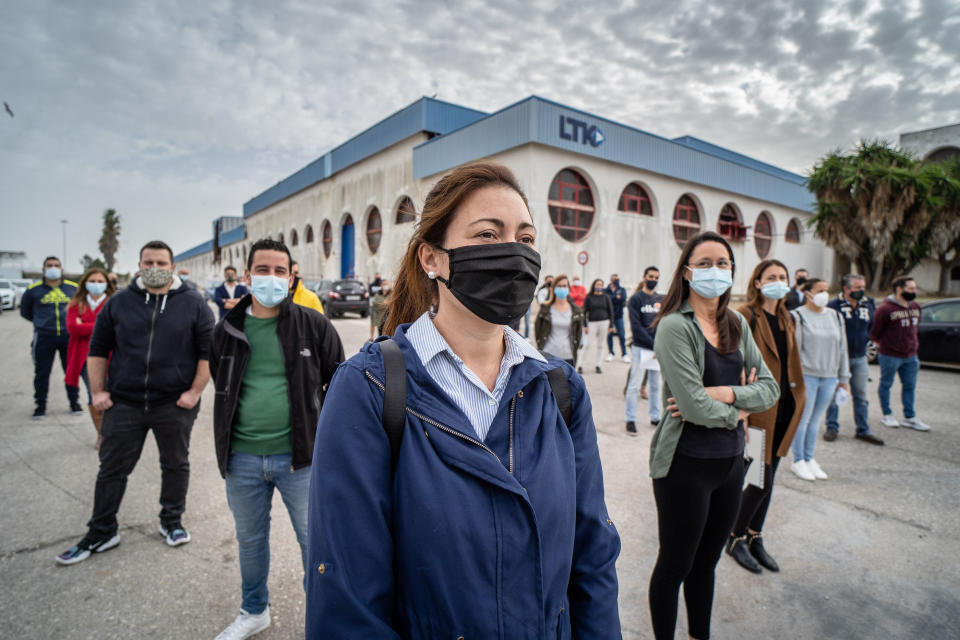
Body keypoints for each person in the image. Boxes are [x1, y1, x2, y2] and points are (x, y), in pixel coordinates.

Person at [305, 162, 621, 638]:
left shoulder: (561, 390)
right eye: (487, 235)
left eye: (526, 237)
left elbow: (592, 559)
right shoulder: (368, 388)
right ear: (432, 258)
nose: (513, 252)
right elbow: (347, 595)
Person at [210, 239, 344, 640]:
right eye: (262, 270)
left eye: (279, 271)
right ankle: (255, 610)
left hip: (300, 460)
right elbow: (224, 385)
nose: (271, 277)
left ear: (291, 276)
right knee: (251, 543)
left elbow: (340, 383)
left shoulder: (313, 324)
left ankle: (325, 619)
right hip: (242, 459)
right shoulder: (226, 329)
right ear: (247, 275)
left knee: (315, 545)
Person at [648, 231, 778, 640]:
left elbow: (770, 389)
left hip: (730, 464)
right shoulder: (674, 327)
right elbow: (691, 406)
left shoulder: (737, 323)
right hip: (685, 466)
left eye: (722, 263)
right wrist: (740, 409)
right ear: (686, 273)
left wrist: (727, 395)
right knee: (675, 565)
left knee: (706, 565)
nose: (714, 271)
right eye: (703, 263)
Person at [55, 241, 214, 565]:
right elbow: (97, 349)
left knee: (175, 464)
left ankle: (171, 521)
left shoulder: (194, 303)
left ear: (172, 265)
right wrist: (98, 392)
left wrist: (194, 392)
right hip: (124, 403)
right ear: (139, 265)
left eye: (161, 262)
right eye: (148, 262)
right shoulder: (120, 303)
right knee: (112, 469)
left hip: (174, 404)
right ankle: (101, 531)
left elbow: (207, 353)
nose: (154, 268)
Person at [726, 259, 806, 574]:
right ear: (758, 283)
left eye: (782, 276)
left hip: (785, 406)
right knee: (761, 478)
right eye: (771, 277)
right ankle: (734, 537)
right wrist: (740, 410)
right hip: (759, 409)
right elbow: (734, 362)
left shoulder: (787, 318)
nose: (778, 281)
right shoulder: (746, 315)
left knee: (770, 480)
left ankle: (754, 535)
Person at [789, 278, 850, 481]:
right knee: (802, 419)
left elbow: (843, 348)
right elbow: (794, 351)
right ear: (807, 293)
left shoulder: (835, 316)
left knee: (816, 420)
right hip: (807, 376)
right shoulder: (798, 316)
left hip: (829, 376)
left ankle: (809, 457)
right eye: (820, 290)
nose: (825, 294)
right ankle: (798, 460)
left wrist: (843, 378)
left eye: (826, 290)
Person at [824, 274, 884, 445]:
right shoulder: (834, 306)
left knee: (861, 395)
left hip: (859, 358)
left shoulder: (868, 303)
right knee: (835, 394)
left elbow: (871, 325)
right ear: (846, 289)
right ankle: (832, 426)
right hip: (838, 358)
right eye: (857, 287)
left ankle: (863, 430)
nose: (861, 290)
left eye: (862, 287)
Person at [20, 256, 80, 418]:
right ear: (43, 269)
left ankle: (74, 402)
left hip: (68, 337)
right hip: (44, 336)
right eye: (49, 265)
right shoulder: (33, 290)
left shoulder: (73, 288)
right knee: (42, 372)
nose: (53, 268)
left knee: (71, 371)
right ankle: (40, 405)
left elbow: (81, 308)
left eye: (56, 265)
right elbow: (25, 311)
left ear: (61, 269)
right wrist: (41, 323)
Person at [870, 276, 930, 431]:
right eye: (910, 288)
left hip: (911, 356)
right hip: (890, 355)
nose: (913, 291)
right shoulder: (885, 309)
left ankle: (909, 417)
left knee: (910, 386)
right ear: (899, 289)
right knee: (886, 384)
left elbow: (914, 329)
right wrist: (886, 346)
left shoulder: (916, 306)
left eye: (914, 288)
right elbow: (874, 332)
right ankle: (887, 414)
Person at [65, 267, 116, 449]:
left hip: (113, 357)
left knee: (113, 394)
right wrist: (101, 327)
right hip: (85, 359)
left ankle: (113, 433)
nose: (96, 285)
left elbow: (118, 329)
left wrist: (85, 325)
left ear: (107, 284)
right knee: (93, 394)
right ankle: (101, 435)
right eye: (92, 281)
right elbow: (72, 328)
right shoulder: (76, 304)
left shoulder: (114, 302)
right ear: (85, 283)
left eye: (100, 281)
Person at [625, 266, 663, 435]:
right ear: (644, 276)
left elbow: (664, 322)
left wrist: (660, 345)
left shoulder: (661, 299)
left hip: (656, 350)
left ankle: (655, 417)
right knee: (634, 385)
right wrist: (653, 344)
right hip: (641, 347)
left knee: (655, 385)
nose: (653, 279)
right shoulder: (636, 299)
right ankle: (630, 419)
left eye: (656, 277)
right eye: (651, 276)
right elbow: (636, 325)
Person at [535, 274, 586, 367]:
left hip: (568, 356)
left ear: (568, 288)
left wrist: (575, 346)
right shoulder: (545, 308)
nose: (562, 288)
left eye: (564, 286)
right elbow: (538, 329)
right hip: (548, 355)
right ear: (553, 289)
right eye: (559, 286)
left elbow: (578, 333)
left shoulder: (576, 310)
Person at [581, 278, 614, 374]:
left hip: (604, 322)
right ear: (594, 285)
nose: (599, 286)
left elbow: (610, 311)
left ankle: (598, 365)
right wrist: (585, 325)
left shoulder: (606, 297)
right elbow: (584, 311)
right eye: (597, 284)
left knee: (601, 345)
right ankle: (580, 365)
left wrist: (611, 325)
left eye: (600, 285)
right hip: (592, 323)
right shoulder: (589, 297)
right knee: (587, 344)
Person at [605, 274, 629, 362]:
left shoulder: (622, 290)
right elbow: (606, 299)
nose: (617, 280)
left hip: (619, 316)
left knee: (622, 335)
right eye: (615, 279)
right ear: (611, 280)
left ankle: (624, 354)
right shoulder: (606, 290)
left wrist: (613, 299)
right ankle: (610, 353)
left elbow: (623, 299)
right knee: (609, 335)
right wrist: (616, 297)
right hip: (609, 317)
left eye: (618, 279)